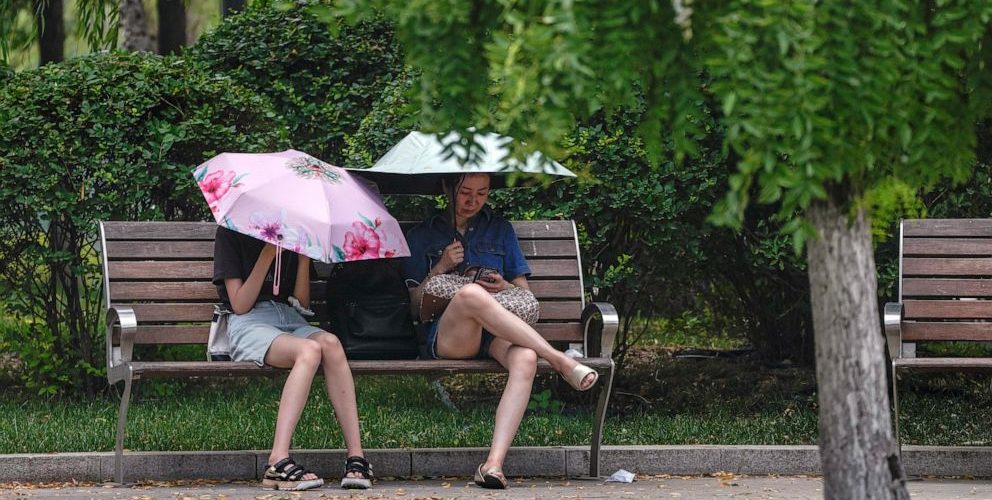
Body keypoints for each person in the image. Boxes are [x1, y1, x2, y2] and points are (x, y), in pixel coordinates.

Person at [403, 173, 598, 489]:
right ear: (446, 188)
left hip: (498, 332)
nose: (473, 201)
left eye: (482, 193)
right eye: (465, 192)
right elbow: (413, 307)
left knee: (525, 359)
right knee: (470, 295)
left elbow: (521, 292)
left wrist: (502, 285)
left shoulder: (500, 229)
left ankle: (492, 465)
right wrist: (440, 267)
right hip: (452, 334)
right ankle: (560, 360)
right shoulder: (421, 235)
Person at [213, 226, 374, 491]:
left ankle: (356, 458)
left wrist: (302, 257)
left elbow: (302, 303)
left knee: (331, 344)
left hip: (289, 318)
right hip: (249, 323)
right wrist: (266, 254)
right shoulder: (230, 233)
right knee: (309, 351)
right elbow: (240, 304)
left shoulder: (291, 229)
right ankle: (277, 461)